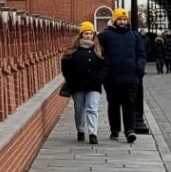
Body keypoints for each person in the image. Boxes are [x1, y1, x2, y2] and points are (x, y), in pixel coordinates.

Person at [101, 8, 147, 145]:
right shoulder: (105, 36)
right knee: (113, 104)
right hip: (112, 77)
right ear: (114, 20)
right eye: (119, 19)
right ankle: (115, 129)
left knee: (130, 104)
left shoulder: (134, 35)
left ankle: (129, 131)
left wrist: (139, 68)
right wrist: (106, 70)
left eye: (124, 19)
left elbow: (141, 53)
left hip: (131, 75)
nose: (122, 21)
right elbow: (101, 53)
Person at [61, 23, 106, 144]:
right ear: (81, 35)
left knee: (92, 108)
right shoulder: (73, 51)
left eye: (90, 34)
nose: (88, 36)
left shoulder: (98, 51)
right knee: (79, 109)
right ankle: (80, 130)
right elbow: (66, 66)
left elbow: (105, 66)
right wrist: (70, 79)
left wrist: (100, 77)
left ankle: (93, 133)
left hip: (94, 84)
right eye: (86, 33)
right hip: (77, 85)